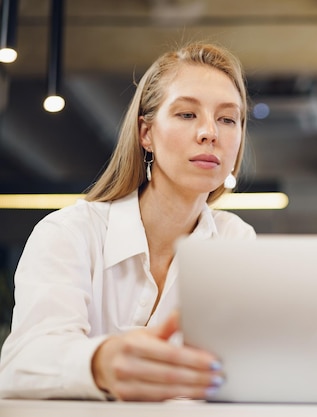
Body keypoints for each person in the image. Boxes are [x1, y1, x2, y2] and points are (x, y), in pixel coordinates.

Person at [0, 41, 255, 401]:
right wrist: (100, 362)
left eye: (228, 119)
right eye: (187, 114)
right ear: (146, 133)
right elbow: (19, 366)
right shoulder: (71, 233)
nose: (210, 132)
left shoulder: (236, 241)